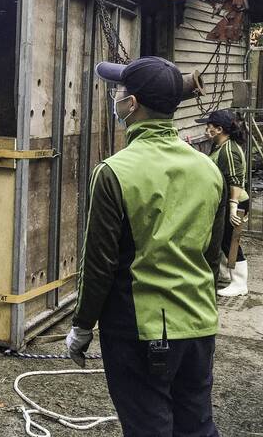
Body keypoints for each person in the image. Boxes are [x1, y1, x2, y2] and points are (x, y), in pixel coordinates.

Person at [66, 56, 226, 437]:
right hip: (199, 326)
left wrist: (82, 326)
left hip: (141, 331)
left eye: (119, 91)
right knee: (197, 425)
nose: (115, 97)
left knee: (148, 426)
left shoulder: (114, 172)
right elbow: (211, 254)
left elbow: (100, 265)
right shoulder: (208, 169)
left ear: (132, 104)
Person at [197, 109, 250, 297]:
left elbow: (236, 179)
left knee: (230, 241)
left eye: (208, 126)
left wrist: (233, 207)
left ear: (219, 129)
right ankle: (228, 275)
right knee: (221, 239)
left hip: (235, 202)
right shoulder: (220, 145)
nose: (206, 129)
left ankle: (240, 283)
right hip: (226, 201)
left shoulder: (229, 150)